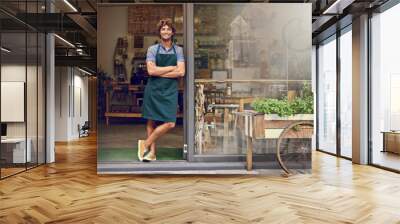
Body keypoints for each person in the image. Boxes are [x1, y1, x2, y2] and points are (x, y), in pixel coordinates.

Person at [138, 18, 185, 162]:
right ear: (159, 32)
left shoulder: (178, 50)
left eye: (168, 29)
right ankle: (152, 153)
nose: (166, 31)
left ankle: (144, 144)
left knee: (170, 122)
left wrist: (160, 71)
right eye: (163, 29)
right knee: (151, 121)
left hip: (170, 90)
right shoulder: (152, 49)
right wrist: (171, 68)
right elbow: (151, 71)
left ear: (172, 32)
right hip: (154, 89)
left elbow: (181, 72)